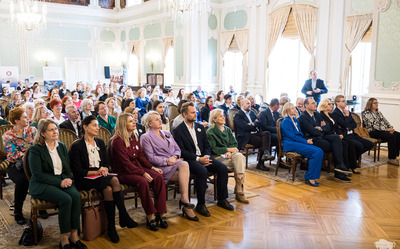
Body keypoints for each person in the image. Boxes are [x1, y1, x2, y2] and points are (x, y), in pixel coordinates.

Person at [69, 115, 137, 243]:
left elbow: (105, 163)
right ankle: (123, 214)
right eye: (94, 125)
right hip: (84, 179)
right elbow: (77, 171)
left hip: (100, 178)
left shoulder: (100, 142)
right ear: (85, 127)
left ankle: (111, 227)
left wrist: (104, 169)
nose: (98, 128)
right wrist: (96, 171)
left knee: (108, 190)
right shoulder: (77, 146)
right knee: (115, 180)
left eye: (98, 125)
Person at [29, 119, 87, 249]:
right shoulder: (36, 149)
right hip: (42, 184)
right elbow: (38, 175)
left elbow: (66, 168)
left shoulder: (61, 146)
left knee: (76, 197)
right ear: (43, 133)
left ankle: (74, 234)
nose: (55, 132)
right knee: (65, 199)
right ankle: (64, 238)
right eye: (51, 130)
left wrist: (67, 179)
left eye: (56, 129)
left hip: (62, 179)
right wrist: (60, 182)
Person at [173, 102, 233, 217]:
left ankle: (222, 199)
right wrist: (198, 158)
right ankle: (201, 204)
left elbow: (206, 145)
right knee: (202, 171)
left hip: (203, 157)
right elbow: (181, 151)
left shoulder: (200, 127)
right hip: (189, 160)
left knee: (222, 168)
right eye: (192, 112)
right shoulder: (178, 130)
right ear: (185, 114)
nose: (195, 114)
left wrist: (206, 156)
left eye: (195, 111)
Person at [111, 113, 167, 231]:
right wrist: (143, 173)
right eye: (130, 121)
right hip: (124, 172)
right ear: (123, 124)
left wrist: (152, 168)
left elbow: (141, 157)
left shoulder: (134, 136)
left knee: (158, 177)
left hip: (136, 168)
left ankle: (161, 212)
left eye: (133, 120)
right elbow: (126, 164)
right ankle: (150, 215)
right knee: (143, 181)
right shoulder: (117, 141)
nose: (134, 122)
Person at [140, 111, 198, 221]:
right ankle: (185, 203)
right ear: (150, 123)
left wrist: (175, 157)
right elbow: (150, 158)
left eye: (159, 118)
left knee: (184, 164)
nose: (160, 120)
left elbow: (177, 149)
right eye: (156, 119)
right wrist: (167, 161)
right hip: (160, 167)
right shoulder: (145, 137)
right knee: (185, 169)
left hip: (174, 163)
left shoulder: (166, 133)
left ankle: (185, 200)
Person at [298, 98, 352, 181]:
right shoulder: (303, 117)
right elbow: (312, 131)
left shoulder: (316, 114)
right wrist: (321, 128)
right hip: (312, 139)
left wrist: (320, 128)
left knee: (337, 139)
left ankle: (340, 167)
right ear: (306, 105)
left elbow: (327, 127)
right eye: (312, 103)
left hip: (321, 136)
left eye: (315, 102)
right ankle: (339, 171)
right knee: (337, 146)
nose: (315, 104)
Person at [2, 107, 38, 225]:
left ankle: (40, 204)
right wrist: (31, 154)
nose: (28, 119)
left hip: (33, 164)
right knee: (23, 180)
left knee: (39, 176)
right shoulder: (7, 136)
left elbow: (39, 147)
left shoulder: (32, 130)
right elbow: (14, 154)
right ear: (17, 120)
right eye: (24, 117)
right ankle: (18, 211)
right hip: (15, 165)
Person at [206, 109, 248, 203]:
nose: (223, 117)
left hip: (230, 157)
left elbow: (234, 143)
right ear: (214, 119)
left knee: (239, 156)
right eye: (220, 116)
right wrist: (227, 150)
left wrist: (231, 152)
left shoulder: (228, 130)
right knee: (240, 162)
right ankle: (239, 190)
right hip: (217, 158)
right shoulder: (210, 132)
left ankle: (239, 188)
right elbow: (214, 149)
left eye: (223, 115)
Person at [280, 103, 323, 187]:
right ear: (287, 110)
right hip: (290, 144)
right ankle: (310, 177)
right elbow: (291, 136)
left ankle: (311, 175)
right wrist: (306, 142)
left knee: (319, 151)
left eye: (294, 108)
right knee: (316, 152)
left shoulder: (295, 120)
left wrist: (306, 140)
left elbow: (299, 134)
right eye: (292, 108)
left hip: (297, 142)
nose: (295, 109)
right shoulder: (286, 121)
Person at [331, 95, 374, 172]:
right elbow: (344, 124)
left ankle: (353, 160)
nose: (345, 102)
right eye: (343, 101)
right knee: (359, 146)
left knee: (369, 144)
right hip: (345, 136)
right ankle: (353, 164)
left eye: (345, 101)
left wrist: (347, 126)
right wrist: (347, 118)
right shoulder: (335, 113)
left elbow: (354, 124)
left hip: (352, 134)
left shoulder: (347, 111)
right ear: (337, 103)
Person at [234, 99, 274, 171]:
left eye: (250, 103)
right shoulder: (238, 115)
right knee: (264, 141)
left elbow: (260, 122)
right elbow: (245, 127)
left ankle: (265, 153)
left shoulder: (252, 112)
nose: (250, 105)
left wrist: (252, 124)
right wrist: (254, 124)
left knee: (267, 133)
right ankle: (261, 163)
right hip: (246, 136)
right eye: (248, 104)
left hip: (255, 133)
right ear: (242, 105)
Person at [319, 99, 355, 179]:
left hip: (333, 135)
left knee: (345, 143)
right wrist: (335, 133)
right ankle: (339, 167)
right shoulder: (320, 115)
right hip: (325, 135)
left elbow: (336, 126)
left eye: (331, 104)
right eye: (329, 104)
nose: (331, 105)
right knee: (337, 139)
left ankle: (343, 168)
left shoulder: (331, 115)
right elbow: (325, 129)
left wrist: (340, 133)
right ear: (323, 106)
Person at [362, 98, 400, 166]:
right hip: (373, 132)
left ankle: (395, 155)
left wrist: (390, 128)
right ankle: (391, 158)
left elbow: (385, 121)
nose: (377, 104)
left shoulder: (378, 113)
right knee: (391, 136)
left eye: (377, 103)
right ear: (370, 104)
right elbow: (374, 126)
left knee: (398, 134)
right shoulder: (366, 113)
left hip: (382, 130)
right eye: (375, 103)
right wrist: (386, 130)